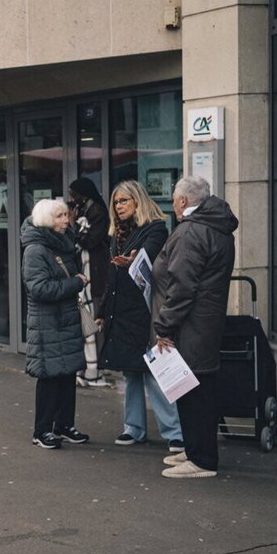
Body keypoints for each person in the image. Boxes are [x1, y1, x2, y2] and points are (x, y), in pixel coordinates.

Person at [151, 175, 238, 479]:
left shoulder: (191, 232)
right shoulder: (216, 226)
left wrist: (163, 325)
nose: (172, 204)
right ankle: (194, 450)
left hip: (190, 324)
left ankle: (201, 460)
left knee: (194, 393)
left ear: (184, 201)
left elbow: (182, 286)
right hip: (204, 322)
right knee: (196, 389)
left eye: (174, 199)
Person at [97, 180, 184, 455]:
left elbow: (148, 261)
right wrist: (102, 313)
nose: (118, 206)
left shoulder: (156, 228)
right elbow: (112, 279)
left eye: (124, 200)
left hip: (146, 310)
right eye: (116, 202)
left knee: (154, 372)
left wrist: (133, 260)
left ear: (138, 201)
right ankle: (133, 428)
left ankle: (174, 432)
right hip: (121, 311)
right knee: (130, 372)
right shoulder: (117, 234)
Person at [21, 198, 91, 450]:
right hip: (47, 323)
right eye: (60, 216)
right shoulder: (36, 250)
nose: (66, 220)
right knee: (50, 376)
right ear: (47, 221)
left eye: (65, 215)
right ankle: (41, 430)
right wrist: (76, 282)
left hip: (65, 319)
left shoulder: (62, 244)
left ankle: (63, 425)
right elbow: (39, 289)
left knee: (67, 373)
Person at [67, 177, 111, 388]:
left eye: (73, 194)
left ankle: (95, 367)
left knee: (93, 320)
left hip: (95, 274)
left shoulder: (97, 213)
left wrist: (75, 226)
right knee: (87, 320)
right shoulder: (86, 212)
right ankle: (87, 366)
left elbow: (89, 240)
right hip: (86, 273)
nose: (71, 199)